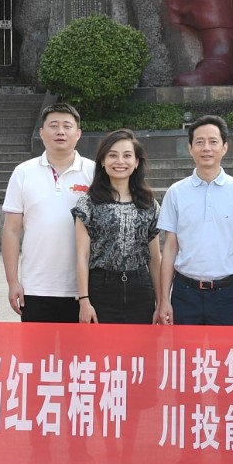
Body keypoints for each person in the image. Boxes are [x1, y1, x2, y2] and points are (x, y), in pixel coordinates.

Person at [155, 114, 233, 325]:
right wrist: (164, 299)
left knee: (226, 348)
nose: (206, 148)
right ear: (190, 148)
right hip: (185, 292)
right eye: (200, 142)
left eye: (213, 141)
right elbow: (170, 247)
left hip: (226, 293)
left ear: (225, 147)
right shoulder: (176, 192)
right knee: (184, 347)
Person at [3, 102, 96, 322]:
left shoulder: (94, 172)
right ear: (41, 132)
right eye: (53, 126)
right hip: (35, 287)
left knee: (81, 346)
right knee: (36, 346)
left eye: (67, 126)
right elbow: (11, 231)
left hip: (83, 289)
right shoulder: (23, 172)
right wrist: (13, 281)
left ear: (78, 133)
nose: (60, 131)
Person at [74, 129, 162, 324]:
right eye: (113, 155)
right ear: (102, 161)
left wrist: (162, 302)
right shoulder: (88, 203)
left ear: (136, 162)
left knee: (141, 344)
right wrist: (84, 300)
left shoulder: (149, 204)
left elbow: (155, 259)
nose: (120, 161)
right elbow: (82, 255)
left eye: (127, 155)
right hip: (100, 290)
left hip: (140, 290)